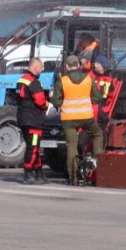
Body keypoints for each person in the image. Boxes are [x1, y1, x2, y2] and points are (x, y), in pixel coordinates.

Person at [51, 55, 103, 185]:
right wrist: (87, 102)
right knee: (97, 134)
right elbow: (97, 97)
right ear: (79, 66)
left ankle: (73, 177)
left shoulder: (62, 81)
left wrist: (65, 104)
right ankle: (98, 161)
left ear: (67, 66)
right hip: (86, 117)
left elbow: (56, 101)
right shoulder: (88, 79)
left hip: (68, 119)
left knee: (71, 146)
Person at [15, 57, 49, 185]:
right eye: (41, 68)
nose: (41, 71)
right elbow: (40, 101)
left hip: (23, 118)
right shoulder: (34, 82)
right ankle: (28, 172)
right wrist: (47, 106)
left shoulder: (21, 80)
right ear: (35, 68)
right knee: (33, 147)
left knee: (33, 146)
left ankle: (38, 171)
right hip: (33, 120)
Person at [90, 55, 114, 126]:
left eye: (105, 68)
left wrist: (104, 109)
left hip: (101, 114)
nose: (104, 69)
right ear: (96, 64)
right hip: (88, 112)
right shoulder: (87, 77)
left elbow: (110, 97)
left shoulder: (109, 80)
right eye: (103, 67)